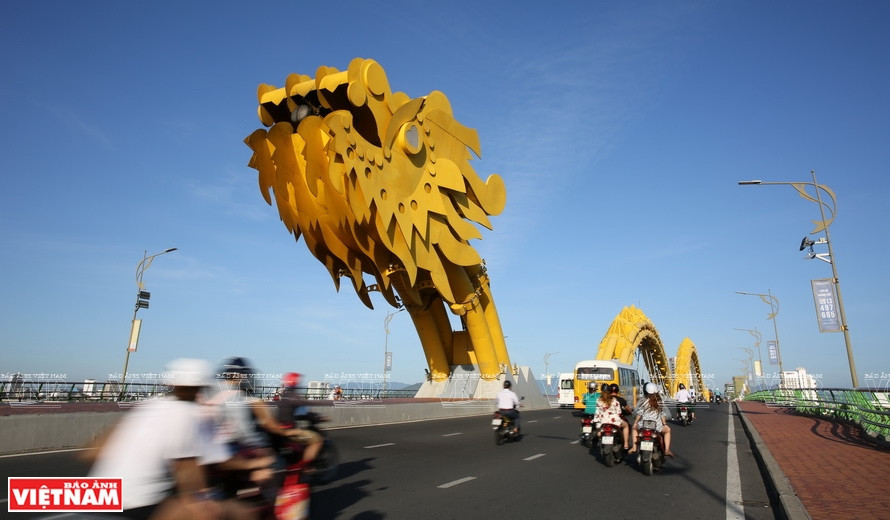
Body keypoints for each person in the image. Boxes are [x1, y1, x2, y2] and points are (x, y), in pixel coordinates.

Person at [87, 358, 253, 519]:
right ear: (200, 387)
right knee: (236, 512)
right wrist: (255, 464)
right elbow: (191, 471)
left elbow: (93, 452)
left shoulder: (147, 406)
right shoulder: (189, 413)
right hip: (138, 501)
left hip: (93, 495)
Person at [275, 372, 324, 465]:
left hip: (279, 429)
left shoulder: (283, 396)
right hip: (290, 430)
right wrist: (318, 417)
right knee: (317, 440)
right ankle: (305, 466)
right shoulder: (295, 397)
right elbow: (305, 413)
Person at [630, 382, 674, 457]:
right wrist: (664, 424)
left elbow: (640, 413)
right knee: (667, 431)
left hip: (643, 425)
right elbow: (662, 414)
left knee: (634, 429)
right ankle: (667, 450)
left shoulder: (644, 401)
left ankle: (634, 447)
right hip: (656, 426)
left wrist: (635, 423)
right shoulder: (659, 401)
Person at [594, 383, 633, 451]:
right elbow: (619, 412)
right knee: (626, 426)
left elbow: (597, 413)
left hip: (602, 421)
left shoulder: (598, 400)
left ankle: (600, 440)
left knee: (598, 430)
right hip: (614, 421)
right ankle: (626, 445)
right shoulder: (614, 400)